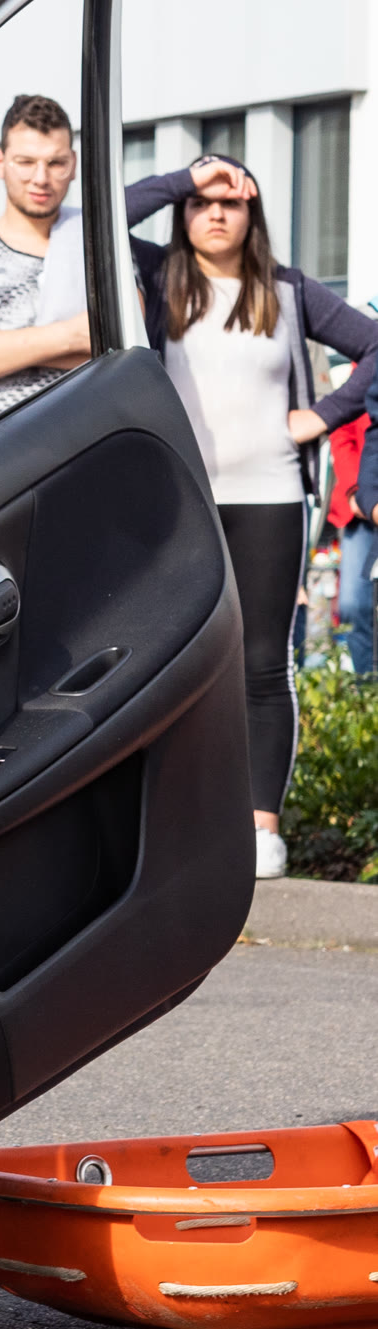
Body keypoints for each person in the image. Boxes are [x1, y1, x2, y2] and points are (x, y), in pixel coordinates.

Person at [127, 156, 378, 881]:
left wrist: (323, 416)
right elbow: (103, 218)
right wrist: (185, 176)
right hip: (179, 498)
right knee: (175, 660)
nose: (214, 213)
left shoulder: (287, 291)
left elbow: (373, 345)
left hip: (270, 497)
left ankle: (261, 827)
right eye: (200, 202)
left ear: (251, 215)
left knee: (263, 663)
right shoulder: (157, 276)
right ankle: (182, 821)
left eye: (230, 203)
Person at [0, 93, 89, 425]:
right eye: (25, 162)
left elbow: (123, 344)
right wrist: (73, 336)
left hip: (84, 439)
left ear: (74, 164)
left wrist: (0, 350)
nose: (41, 178)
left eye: (56, 163)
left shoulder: (98, 243)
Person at [329, 414, 376, 677]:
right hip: (363, 508)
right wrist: (355, 490)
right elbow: (342, 434)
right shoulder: (363, 387)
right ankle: (365, 687)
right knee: (353, 604)